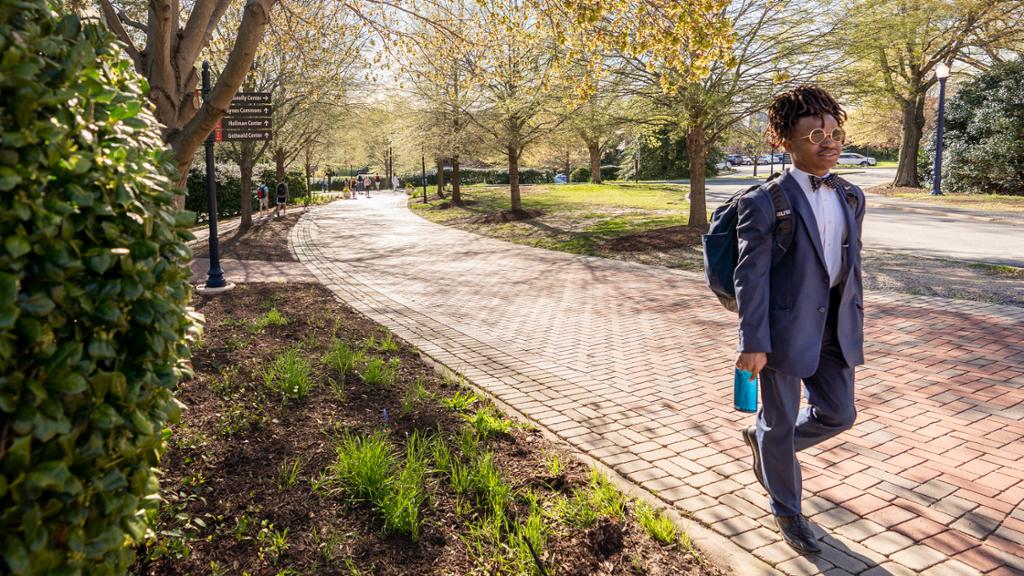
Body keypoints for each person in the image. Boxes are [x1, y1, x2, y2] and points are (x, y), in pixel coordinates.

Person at [734, 85, 865, 555]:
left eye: (834, 131)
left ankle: (764, 439)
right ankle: (787, 511)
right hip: (783, 331)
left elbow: (848, 266)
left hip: (835, 328)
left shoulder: (851, 195)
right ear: (784, 140)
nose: (828, 141)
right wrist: (752, 341)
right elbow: (751, 277)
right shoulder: (766, 200)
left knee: (840, 414)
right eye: (814, 133)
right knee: (783, 420)